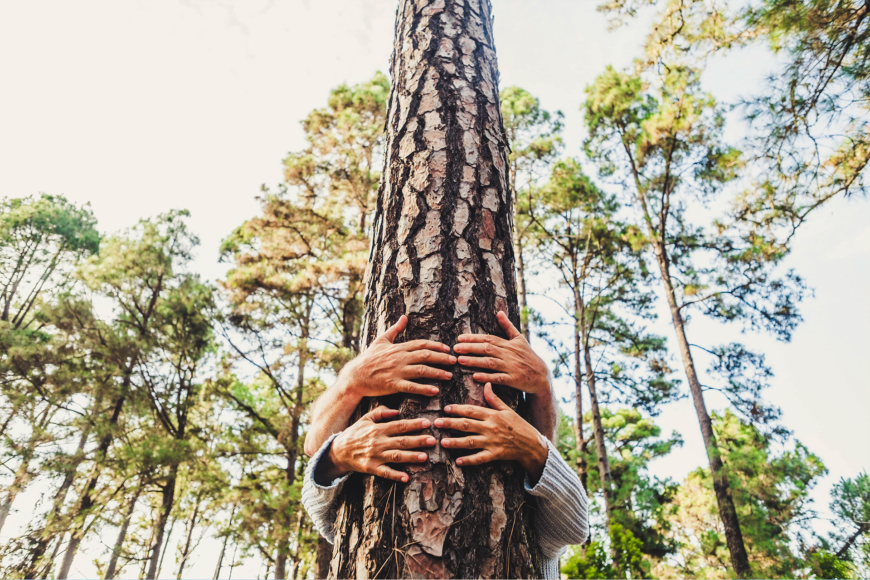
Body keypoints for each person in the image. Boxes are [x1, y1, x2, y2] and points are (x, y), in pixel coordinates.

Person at [301, 312, 589, 579]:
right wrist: (349, 386)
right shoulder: (353, 503)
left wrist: (541, 398)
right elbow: (315, 452)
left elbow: (575, 525)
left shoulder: (535, 510)